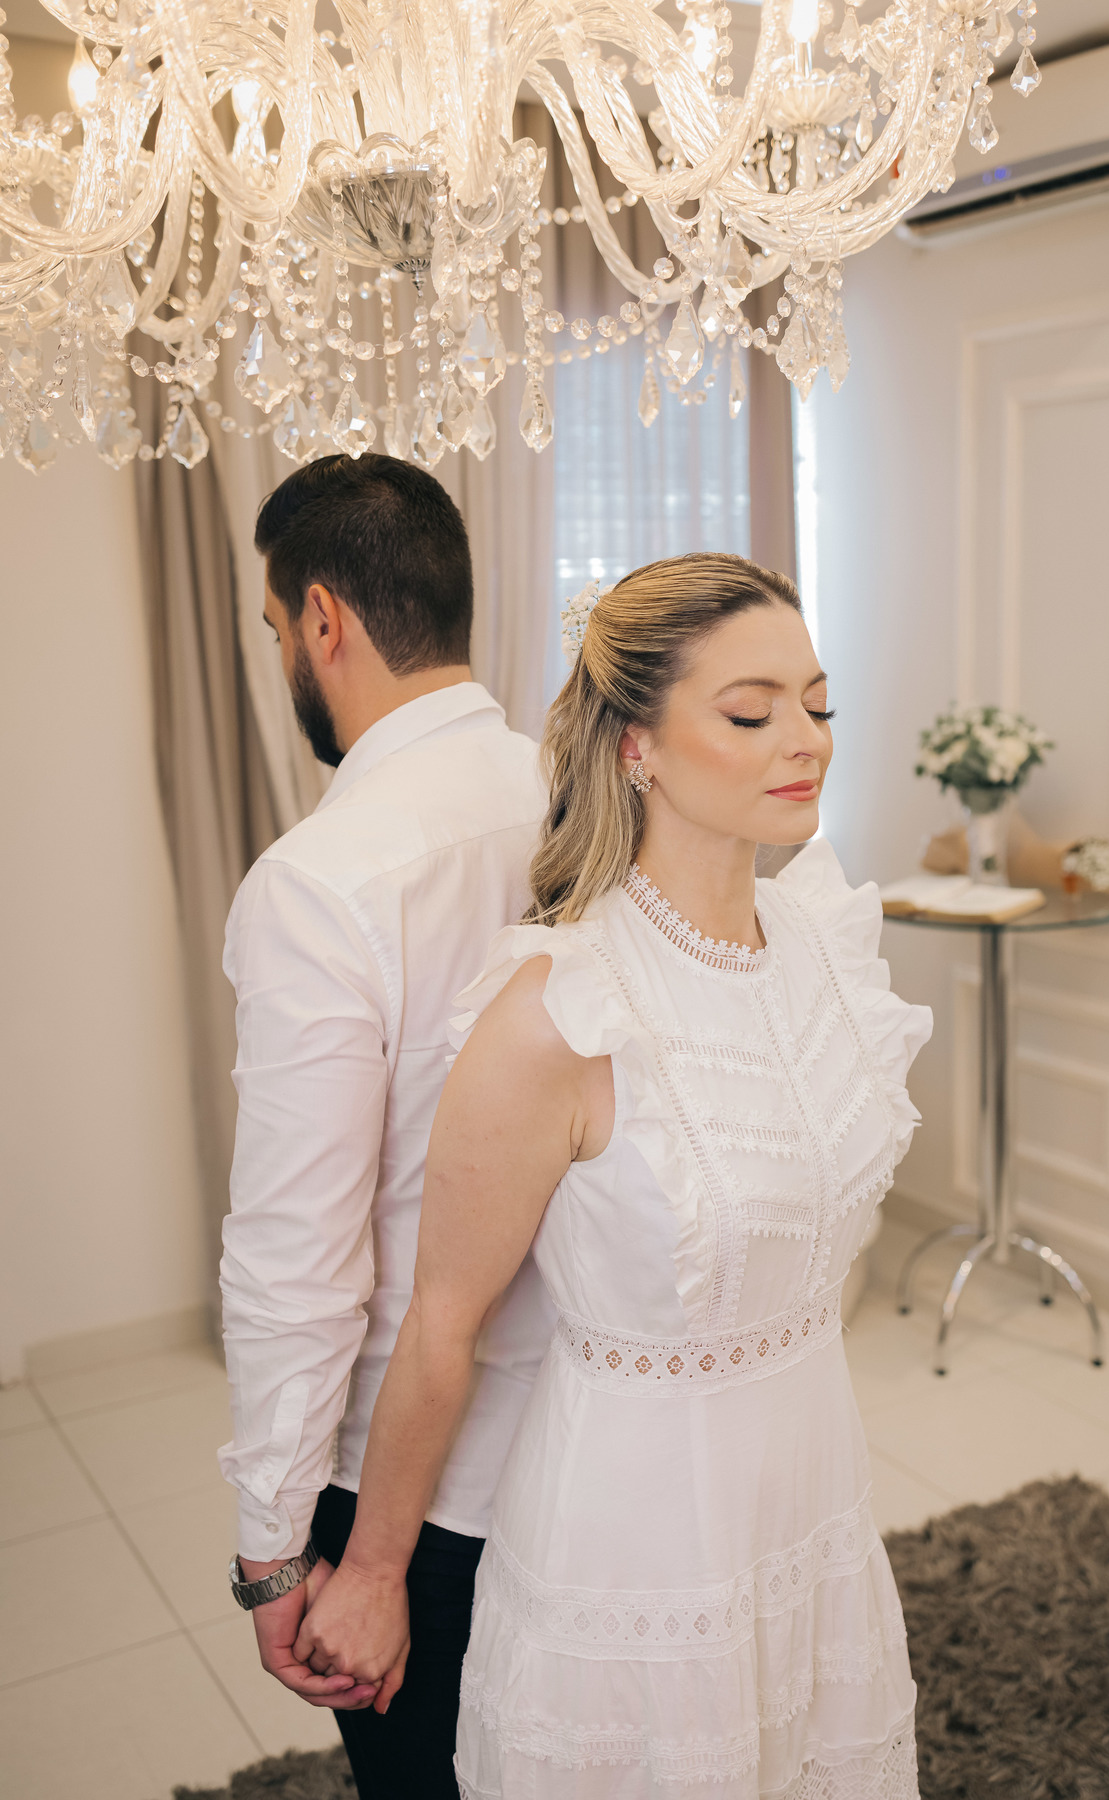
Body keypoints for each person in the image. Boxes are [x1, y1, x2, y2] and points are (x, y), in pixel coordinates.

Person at [295, 551, 933, 1797]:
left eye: (818, 705)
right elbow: (442, 1323)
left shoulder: (826, 944)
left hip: (810, 1492)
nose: (805, 739)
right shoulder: (558, 1013)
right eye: (750, 713)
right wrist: (370, 1572)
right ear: (637, 745)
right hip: (638, 1539)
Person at [217, 453, 554, 1800]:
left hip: (419, 1483)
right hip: (591, 1422)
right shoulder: (586, 804)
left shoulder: (318, 884)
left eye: (273, 629)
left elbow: (296, 1258)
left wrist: (271, 1548)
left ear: (322, 621)